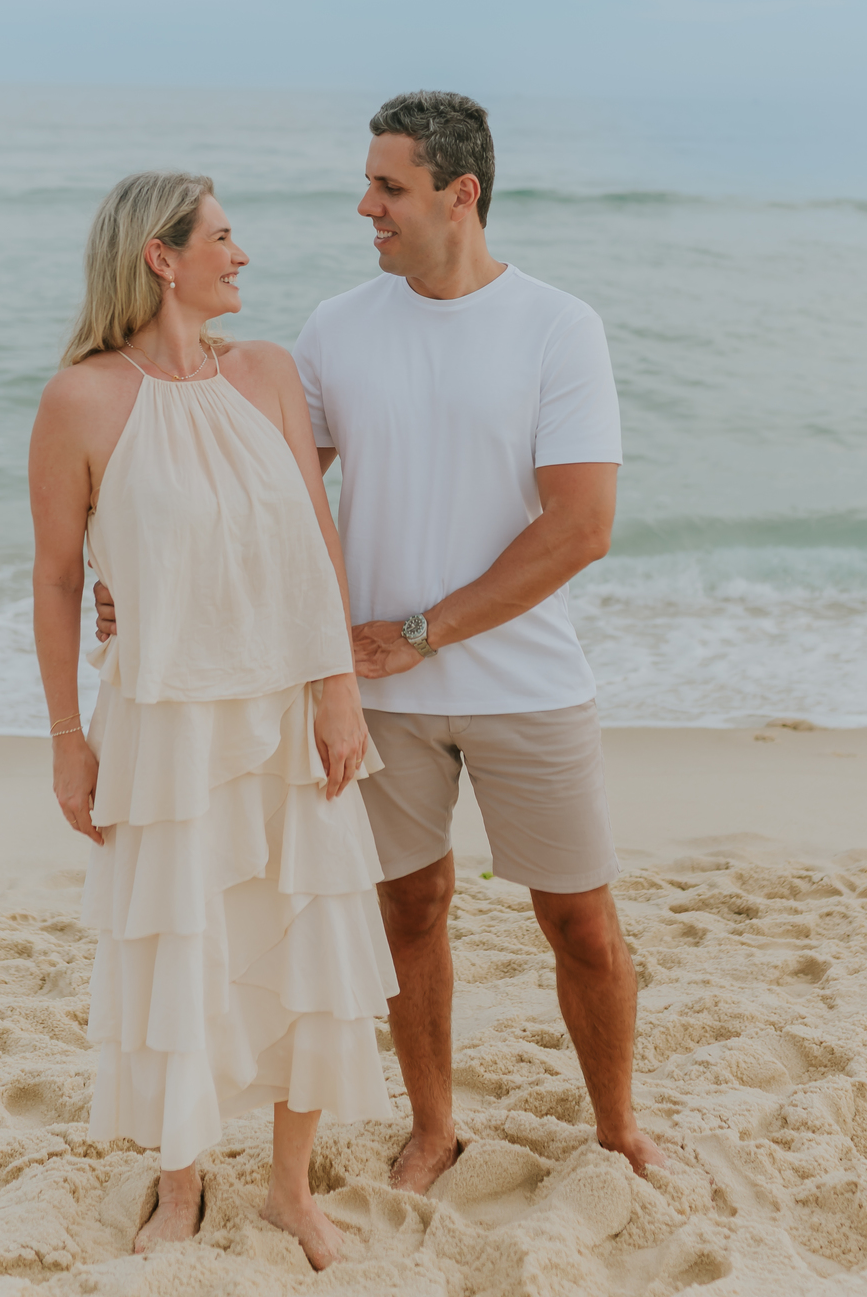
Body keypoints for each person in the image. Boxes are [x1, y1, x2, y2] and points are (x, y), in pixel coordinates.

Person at [96, 95, 665, 1192]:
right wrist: (138, 587)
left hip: (522, 682)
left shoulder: (559, 327)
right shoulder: (336, 330)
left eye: (388, 187)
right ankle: (433, 1127)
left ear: (462, 193)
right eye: (369, 184)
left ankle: (617, 1128)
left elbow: (581, 527)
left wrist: (422, 632)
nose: (367, 206)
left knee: (582, 921)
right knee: (409, 910)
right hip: (370, 693)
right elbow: (247, 498)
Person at [29, 171, 397, 1271]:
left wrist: (338, 690)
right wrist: (66, 739)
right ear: (161, 256)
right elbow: (55, 580)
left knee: (309, 943)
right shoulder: (81, 400)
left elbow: (313, 544)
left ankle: (289, 1189)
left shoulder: (273, 374)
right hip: (165, 722)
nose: (242, 257)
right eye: (225, 239)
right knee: (183, 944)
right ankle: (182, 1188)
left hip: (288, 707)